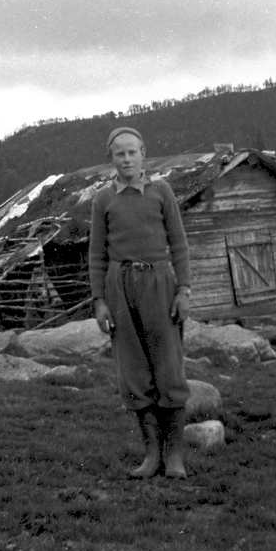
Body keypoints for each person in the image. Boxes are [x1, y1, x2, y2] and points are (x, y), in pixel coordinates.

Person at [89, 127, 193, 479]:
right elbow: (97, 255)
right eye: (119, 153)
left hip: (160, 284)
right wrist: (100, 302)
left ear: (143, 154)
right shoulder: (104, 199)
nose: (127, 159)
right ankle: (152, 456)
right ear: (111, 159)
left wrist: (184, 290)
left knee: (169, 368)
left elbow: (179, 245)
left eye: (132, 152)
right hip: (120, 287)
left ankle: (174, 456)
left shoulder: (161, 192)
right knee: (133, 371)